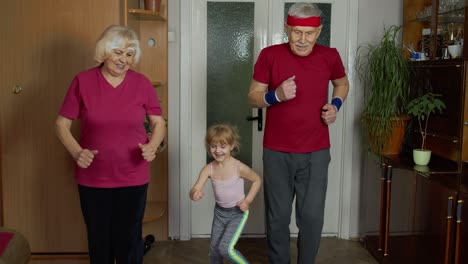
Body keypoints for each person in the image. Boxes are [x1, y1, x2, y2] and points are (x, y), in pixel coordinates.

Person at [247, 3, 350, 264]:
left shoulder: (330, 56)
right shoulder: (269, 55)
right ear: (287, 29)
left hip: (316, 151)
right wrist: (275, 95)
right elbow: (253, 96)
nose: (302, 40)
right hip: (276, 151)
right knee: (278, 217)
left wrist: (334, 105)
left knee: (312, 216)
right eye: (296, 32)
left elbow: (342, 83)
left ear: (319, 31)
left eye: (309, 33)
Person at [55, 25, 166, 264]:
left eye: (129, 54)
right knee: (99, 240)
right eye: (118, 52)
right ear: (104, 51)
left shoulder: (142, 83)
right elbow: (61, 124)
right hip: (93, 177)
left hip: (133, 175)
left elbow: (158, 123)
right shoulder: (82, 81)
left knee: (129, 239)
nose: (123, 60)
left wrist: (152, 145)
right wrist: (77, 152)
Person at [190, 123, 262, 264]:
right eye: (213, 146)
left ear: (232, 146)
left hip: (237, 214)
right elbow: (195, 189)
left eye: (223, 147)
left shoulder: (238, 167)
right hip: (219, 213)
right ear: (209, 146)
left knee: (226, 249)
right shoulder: (208, 169)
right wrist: (194, 193)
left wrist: (247, 201)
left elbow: (257, 179)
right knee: (214, 250)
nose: (217, 151)